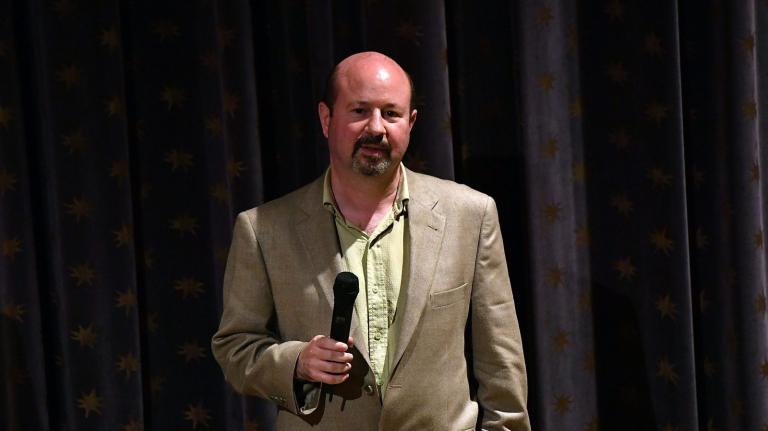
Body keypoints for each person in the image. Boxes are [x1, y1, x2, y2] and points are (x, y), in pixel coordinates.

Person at [212, 51, 530, 430]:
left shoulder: (470, 215)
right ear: (326, 119)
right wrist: (296, 362)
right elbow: (235, 347)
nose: (376, 127)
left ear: (411, 123)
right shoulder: (263, 229)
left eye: (391, 114)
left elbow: (501, 363)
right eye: (360, 111)